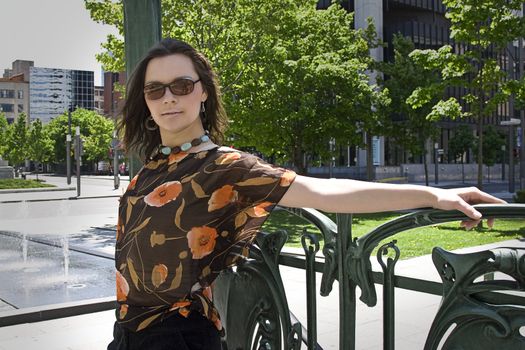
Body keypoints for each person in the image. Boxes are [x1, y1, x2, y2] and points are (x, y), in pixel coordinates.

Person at [108, 38, 505, 350]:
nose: (168, 98)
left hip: (176, 336)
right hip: (127, 331)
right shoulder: (153, 167)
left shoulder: (223, 166)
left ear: (203, 92)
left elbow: (324, 191)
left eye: (181, 85)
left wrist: (434, 195)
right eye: (155, 90)